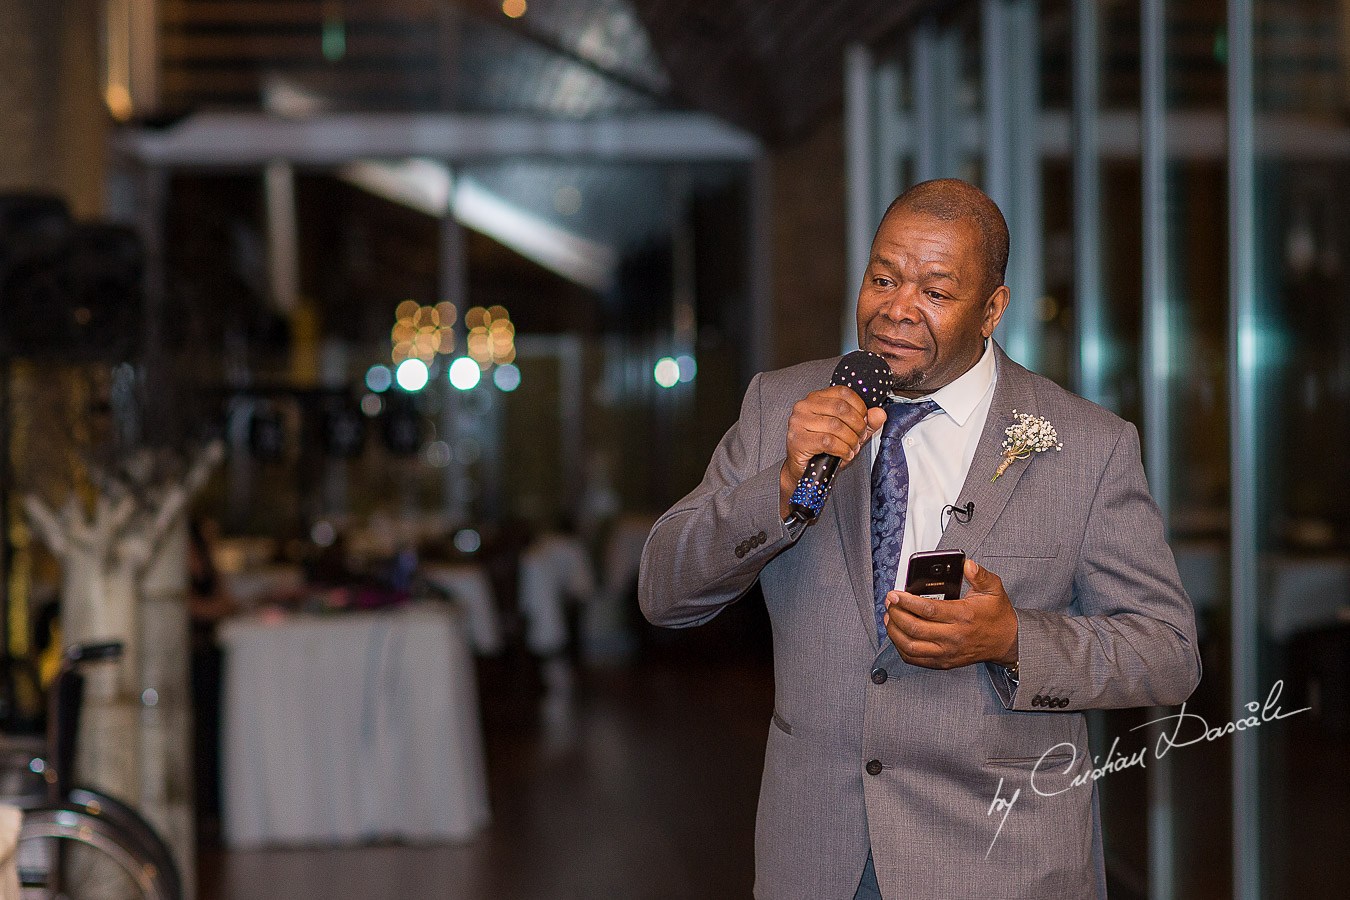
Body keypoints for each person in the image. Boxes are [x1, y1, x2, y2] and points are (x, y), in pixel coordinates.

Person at [638, 178, 1200, 899]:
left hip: (1001, 866)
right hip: (816, 860)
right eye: (882, 277)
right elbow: (662, 592)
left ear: (992, 309)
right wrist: (776, 490)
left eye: (935, 291)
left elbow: (1168, 652)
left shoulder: (1087, 446)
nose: (897, 309)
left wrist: (1011, 640)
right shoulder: (783, 406)